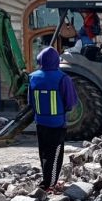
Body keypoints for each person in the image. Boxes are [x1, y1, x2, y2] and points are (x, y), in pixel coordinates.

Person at [29, 47, 79, 192]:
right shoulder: (63, 78)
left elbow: (30, 101)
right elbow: (70, 103)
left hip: (40, 122)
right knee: (55, 154)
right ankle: (49, 185)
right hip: (57, 123)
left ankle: (46, 180)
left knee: (43, 152)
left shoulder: (32, 77)